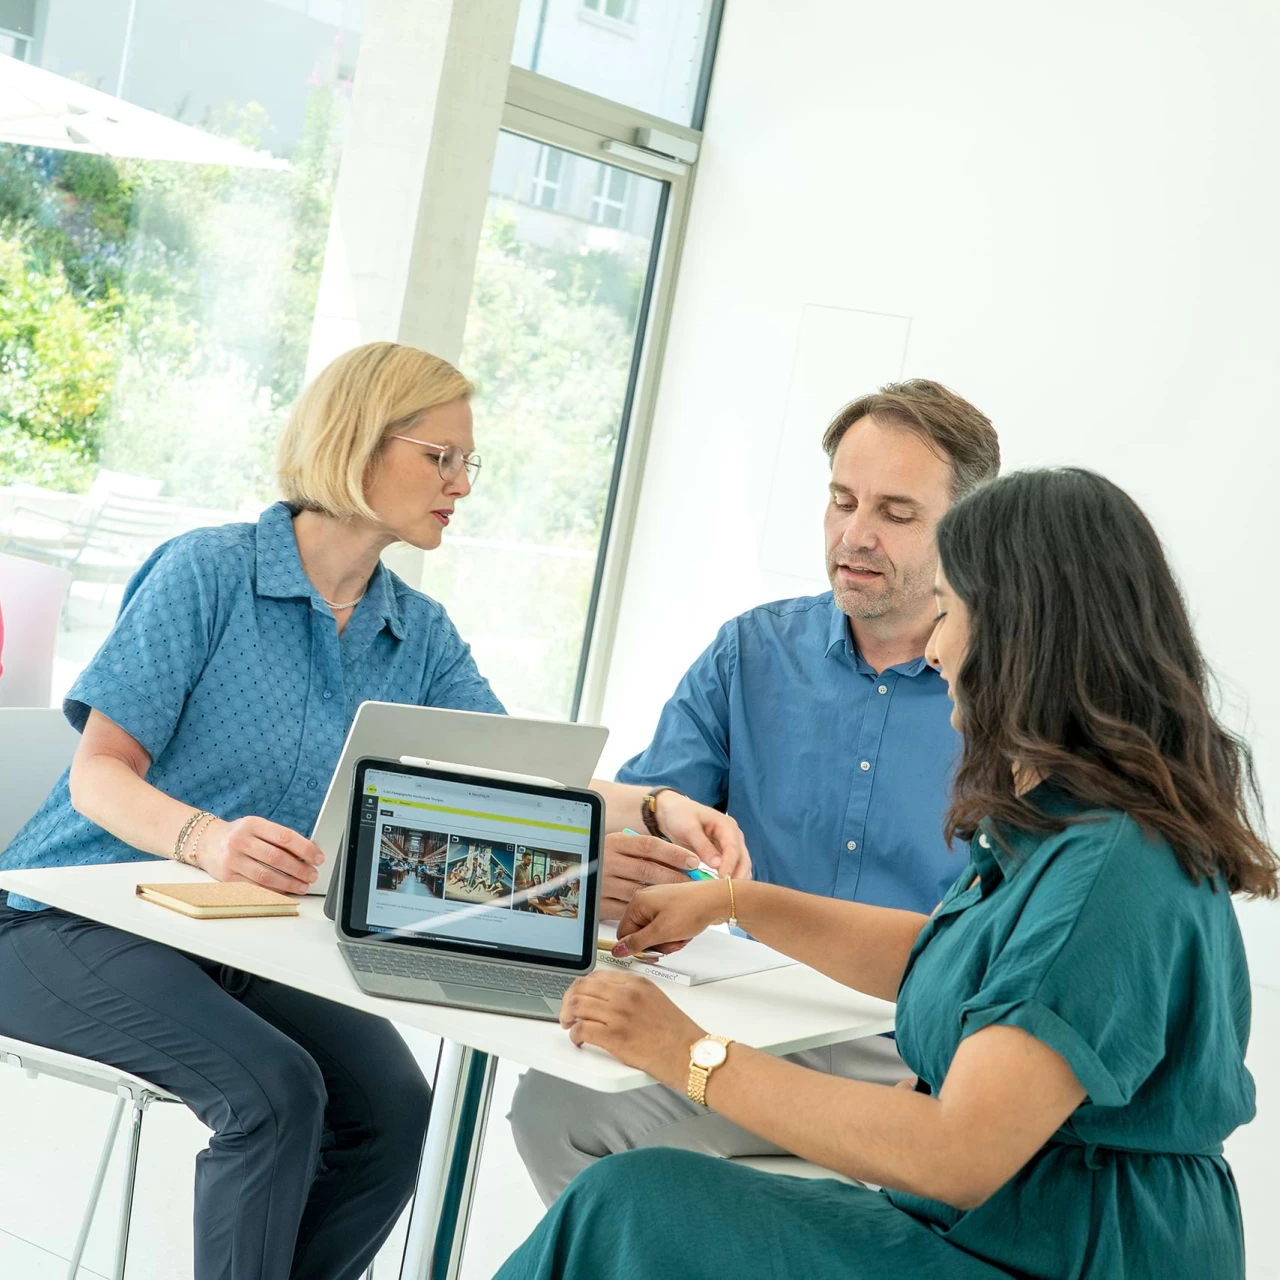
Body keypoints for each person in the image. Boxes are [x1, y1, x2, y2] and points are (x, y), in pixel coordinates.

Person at [498, 466, 1274, 1279]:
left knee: (631, 1204)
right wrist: (736, 901)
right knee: (629, 1198)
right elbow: (946, 960)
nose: (935, 647)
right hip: (987, 1227)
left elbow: (957, 1152)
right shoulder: (1065, 824)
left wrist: (688, 1050)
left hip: (1053, 1255)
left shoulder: (1106, 868)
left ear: (1023, 634)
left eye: (950, 611)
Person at [0, 341, 505, 1280]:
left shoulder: (416, 633)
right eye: (442, 457)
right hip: (55, 924)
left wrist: (656, 808)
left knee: (391, 1107)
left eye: (468, 462)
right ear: (360, 442)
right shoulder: (208, 574)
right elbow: (97, 775)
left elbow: (520, 770)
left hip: (232, 941)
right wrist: (209, 839)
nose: (461, 484)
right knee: (277, 1095)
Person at [511, 379, 1000, 1202]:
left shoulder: (1007, 693)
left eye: (897, 513)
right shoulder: (753, 652)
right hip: (748, 1016)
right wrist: (656, 861)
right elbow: (648, 829)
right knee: (555, 1113)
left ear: (969, 532)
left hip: (916, 1044)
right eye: (842, 501)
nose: (855, 534)